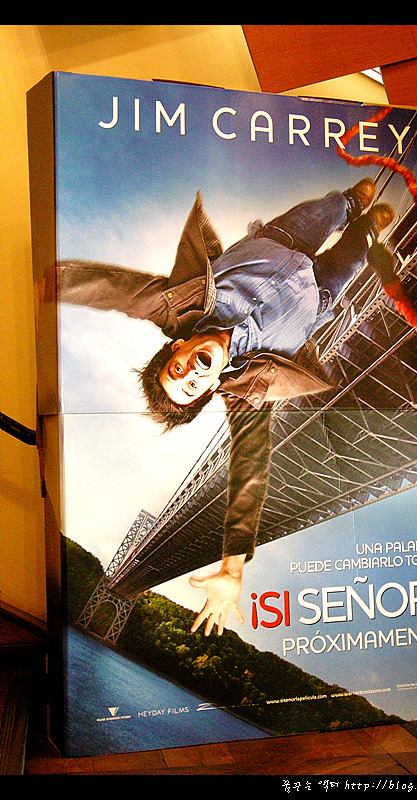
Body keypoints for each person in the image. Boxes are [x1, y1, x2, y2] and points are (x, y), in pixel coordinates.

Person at [57, 179, 396, 636]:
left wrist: (45, 282)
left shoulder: (177, 305)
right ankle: (366, 229)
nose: (191, 375)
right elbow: (249, 469)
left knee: (339, 206)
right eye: (192, 388)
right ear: (210, 389)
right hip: (319, 294)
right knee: (358, 248)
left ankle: (351, 202)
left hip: (286, 238)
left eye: (177, 370)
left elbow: (114, 290)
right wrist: (233, 568)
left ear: (177, 346)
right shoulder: (247, 389)